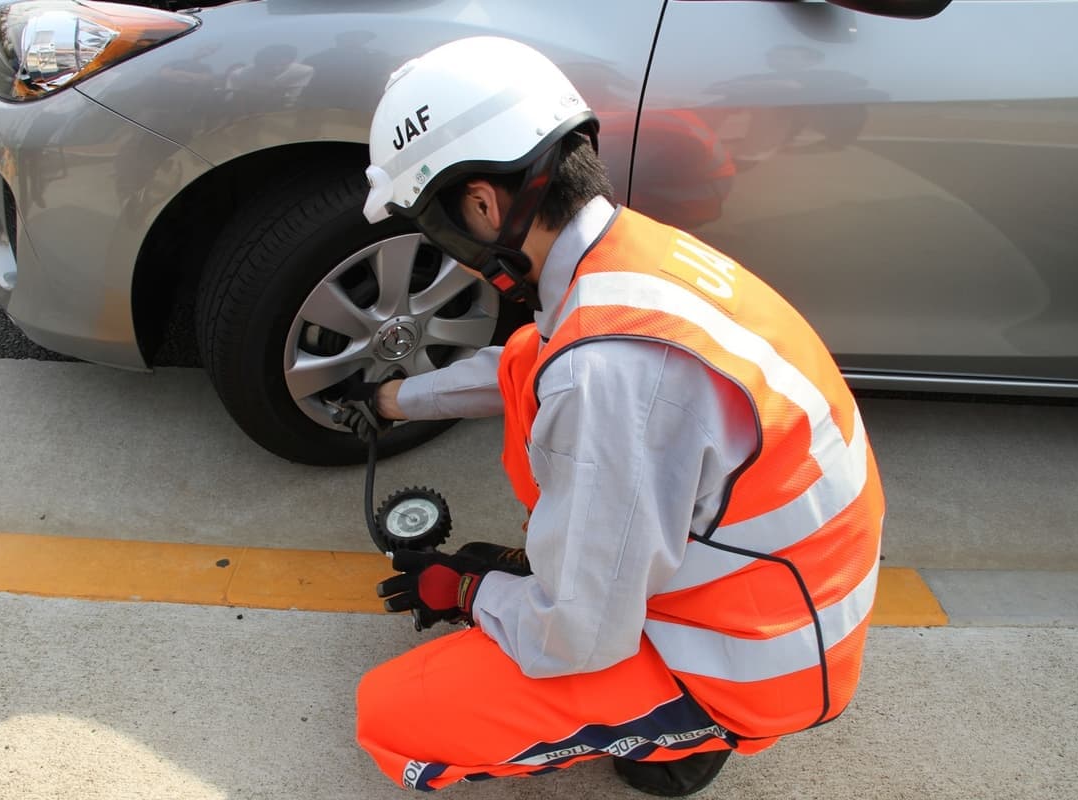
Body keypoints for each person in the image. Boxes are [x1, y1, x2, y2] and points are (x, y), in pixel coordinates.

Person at [346, 36, 884, 796]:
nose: (453, 254)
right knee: (536, 361)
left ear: (482, 204)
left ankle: (688, 737)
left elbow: (577, 635)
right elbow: (520, 370)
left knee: (398, 715)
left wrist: (471, 592)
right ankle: (607, 606)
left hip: (762, 659)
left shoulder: (607, 374)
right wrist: (389, 401)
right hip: (781, 583)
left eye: (438, 231)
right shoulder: (627, 259)